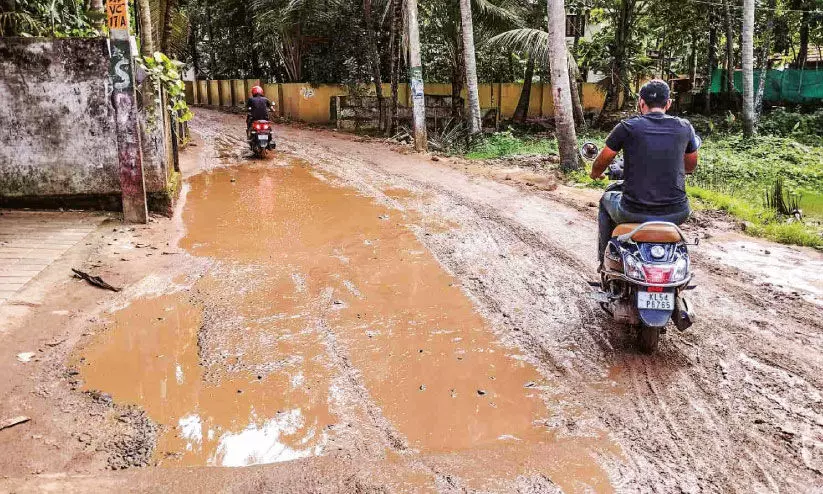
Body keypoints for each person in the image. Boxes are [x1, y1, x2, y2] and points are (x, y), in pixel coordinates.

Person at [590, 79, 700, 266]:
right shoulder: (685, 127)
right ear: (668, 103)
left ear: (641, 103)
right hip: (677, 212)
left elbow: (603, 159)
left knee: (606, 199)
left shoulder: (627, 127)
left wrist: (596, 174)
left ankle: (604, 260)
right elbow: (690, 167)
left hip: (632, 211)